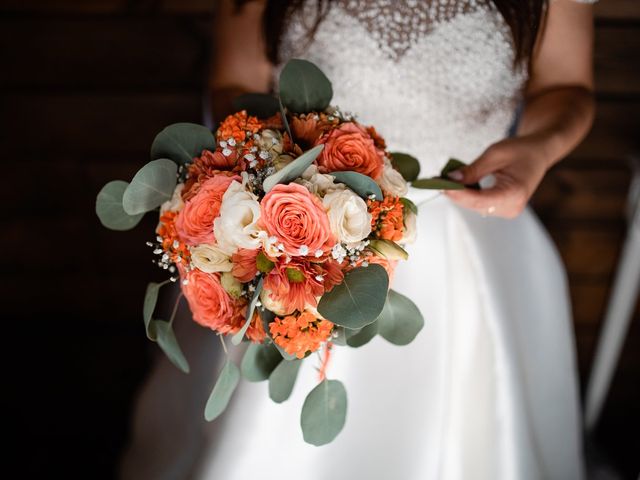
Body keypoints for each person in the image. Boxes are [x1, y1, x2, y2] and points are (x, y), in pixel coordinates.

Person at [121, 0, 596, 478]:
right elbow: (236, 80)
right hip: (303, 230)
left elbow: (567, 85)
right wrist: (276, 177)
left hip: (472, 225)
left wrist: (536, 150)